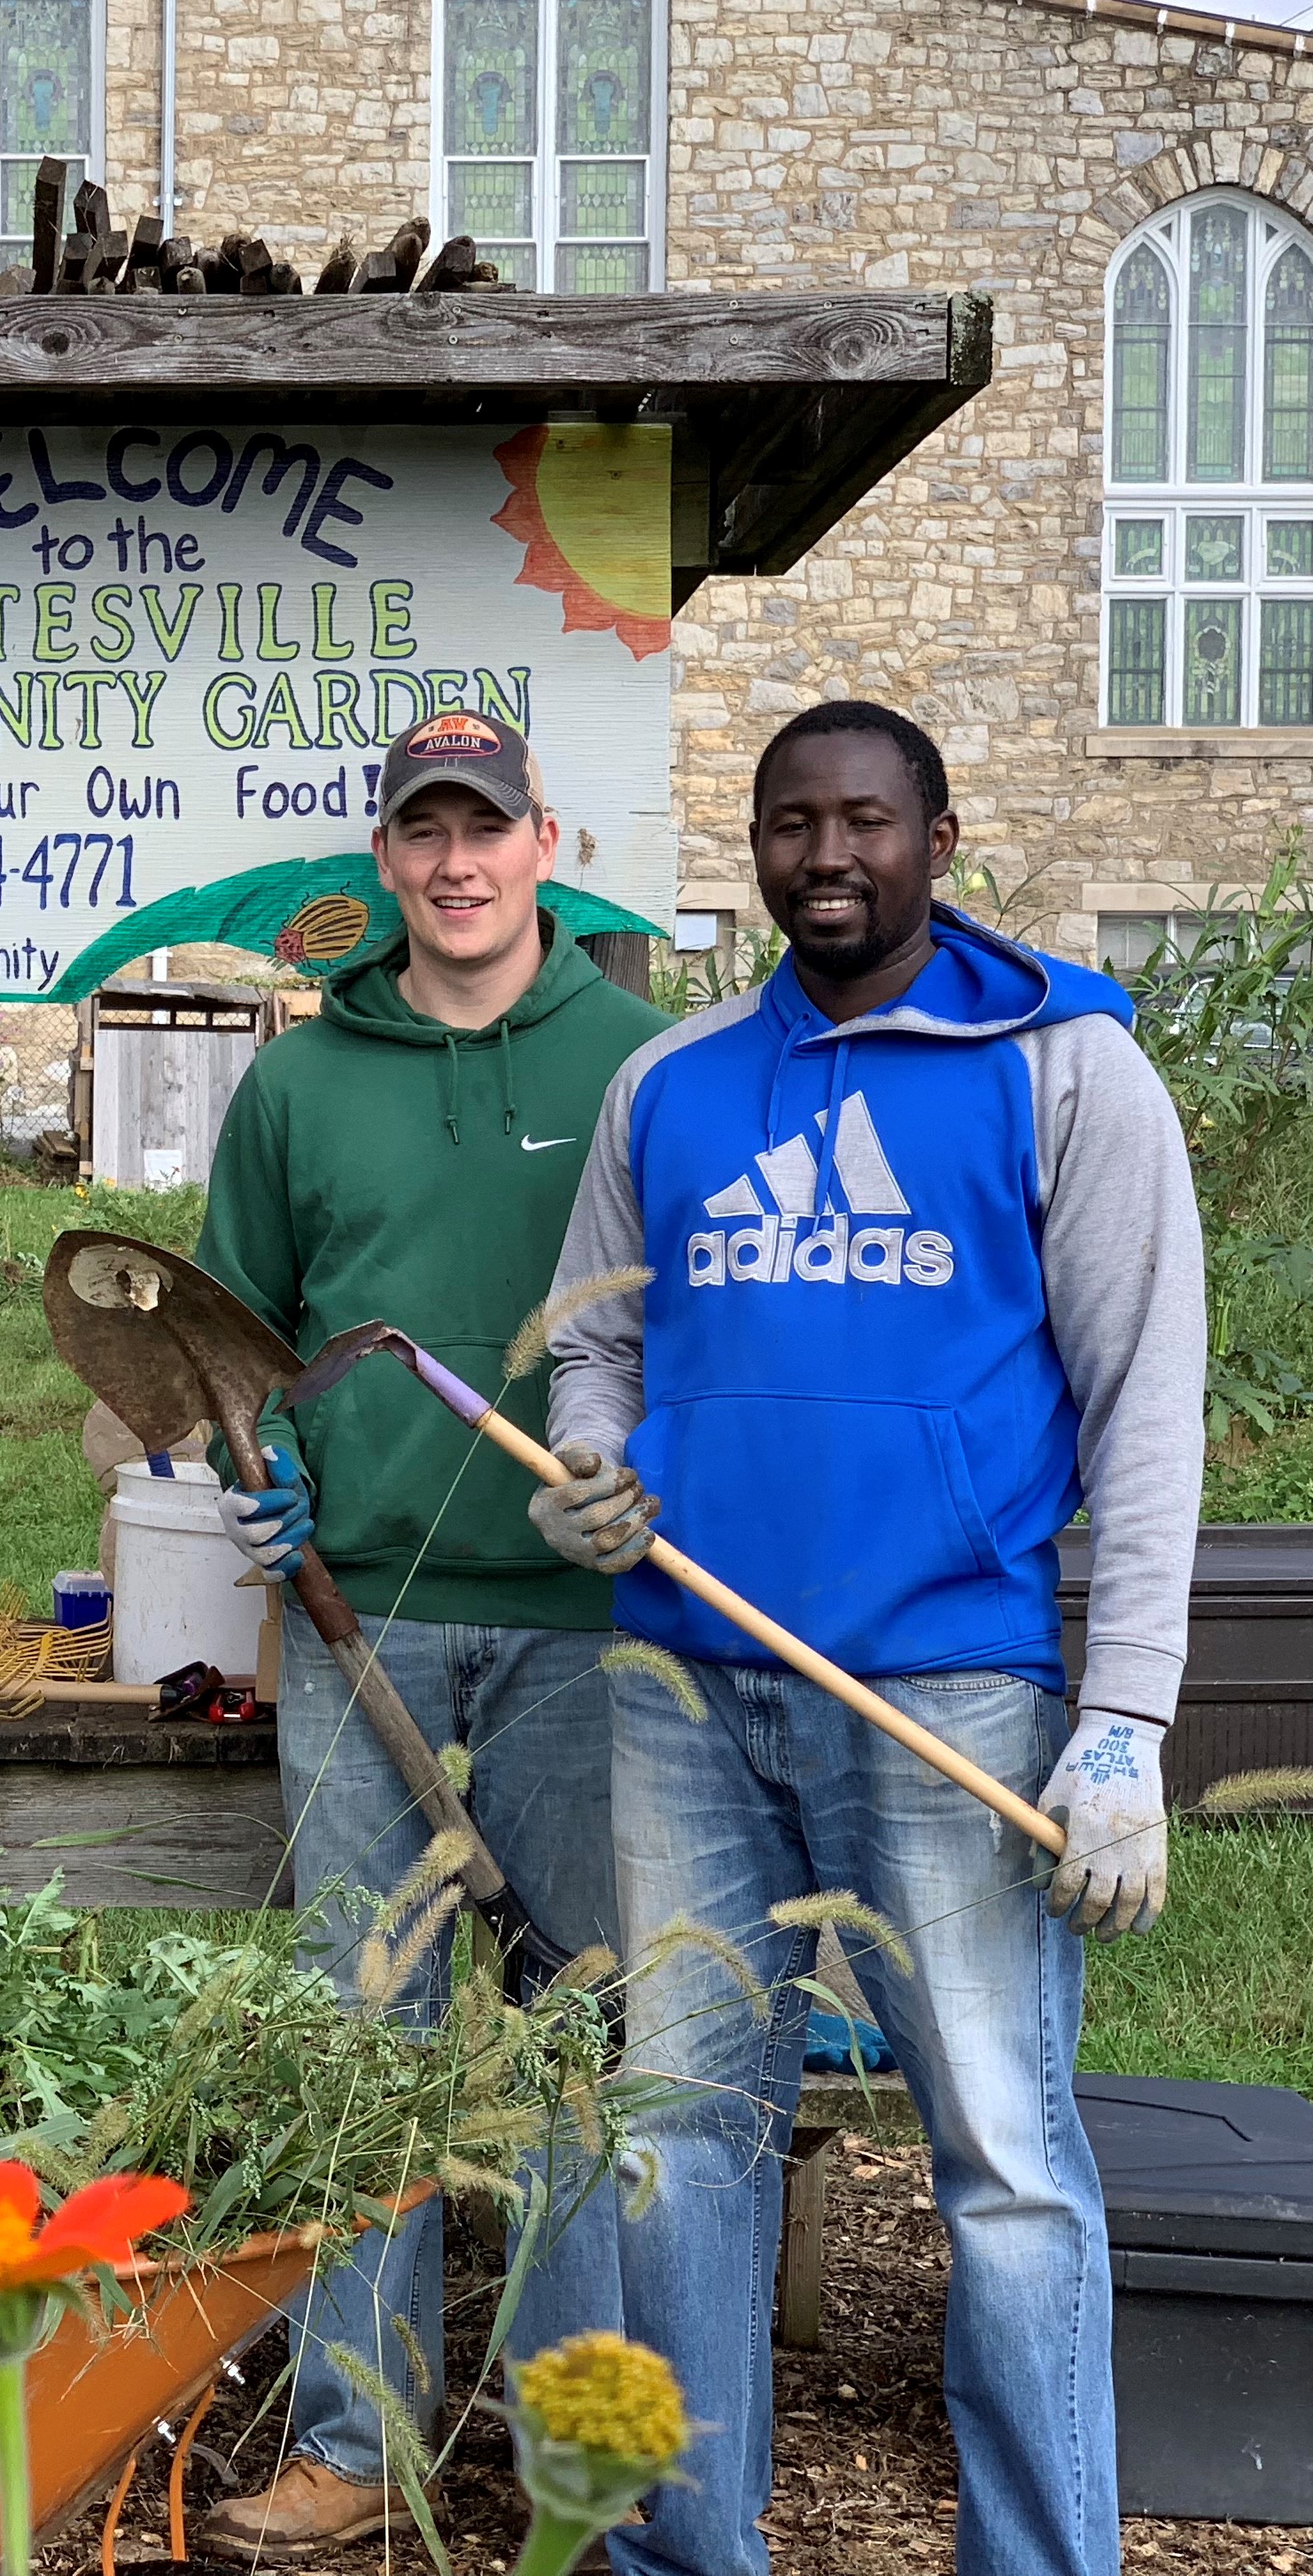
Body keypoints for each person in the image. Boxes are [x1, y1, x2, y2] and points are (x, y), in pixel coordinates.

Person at [539, 700, 1201, 2576]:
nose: (827, 856)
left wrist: (1128, 1721)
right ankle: (689, 2554)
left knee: (1002, 2169)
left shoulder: (1065, 1067)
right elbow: (593, 1339)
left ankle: (1040, 2559)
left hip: (954, 1694)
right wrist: (589, 1461)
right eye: (789, 824)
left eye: (865, 822)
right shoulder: (667, 1083)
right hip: (682, 1687)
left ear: (938, 833)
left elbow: (1147, 1397)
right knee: (683, 2145)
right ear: (750, 849)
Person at [190, 710, 666, 2562]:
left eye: (487, 828)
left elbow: (695, 1330)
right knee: (361, 2044)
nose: (456, 865)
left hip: (577, 1627)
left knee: (571, 2045)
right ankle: (353, 2442)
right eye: (422, 835)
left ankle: (573, 2449)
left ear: (547, 837)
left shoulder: (641, 1063)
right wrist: (264, 1474)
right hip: (355, 1618)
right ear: (381, 863)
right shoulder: (305, 1087)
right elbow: (234, 1345)